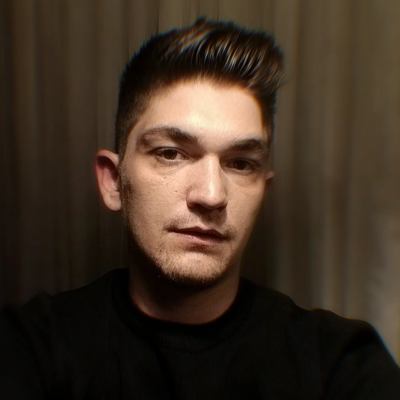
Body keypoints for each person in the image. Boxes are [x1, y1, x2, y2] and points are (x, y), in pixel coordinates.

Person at [1, 18, 399, 399]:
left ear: (263, 191)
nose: (211, 195)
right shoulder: (29, 350)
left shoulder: (341, 365)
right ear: (113, 182)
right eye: (170, 153)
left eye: (240, 163)